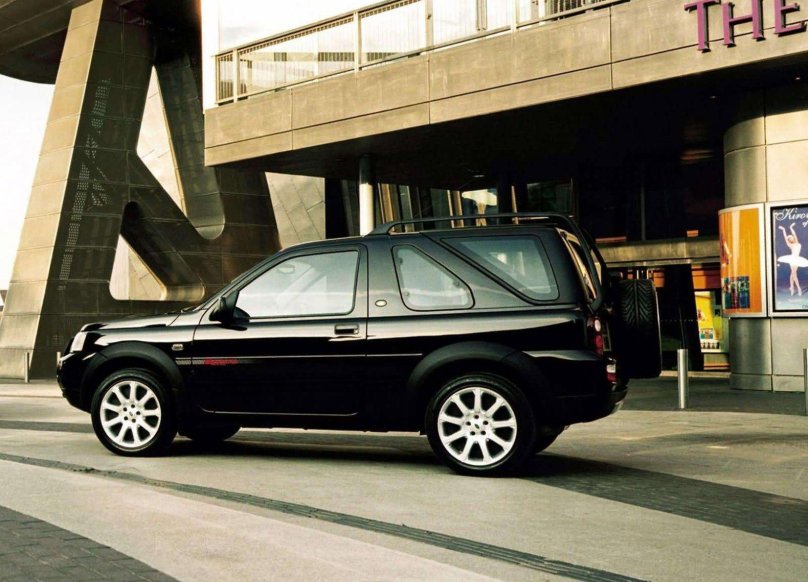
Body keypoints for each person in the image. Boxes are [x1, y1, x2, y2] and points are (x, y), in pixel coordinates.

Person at [777, 223, 808, 296]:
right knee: (794, 274)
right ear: (789, 240)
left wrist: (791, 227)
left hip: (797, 259)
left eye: (791, 237)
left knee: (792, 274)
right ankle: (798, 288)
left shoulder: (797, 242)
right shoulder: (790, 245)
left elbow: (794, 234)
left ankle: (792, 288)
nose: (791, 238)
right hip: (792, 259)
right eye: (790, 238)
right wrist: (783, 230)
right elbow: (785, 237)